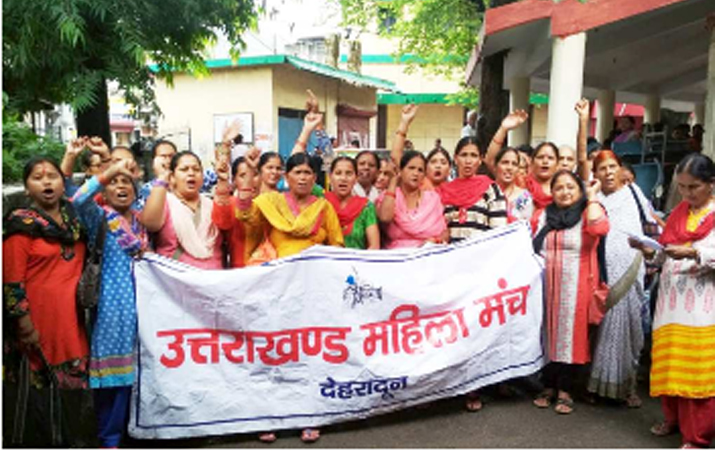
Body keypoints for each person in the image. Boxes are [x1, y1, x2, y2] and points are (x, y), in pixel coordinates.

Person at [231, 153, 343, 443]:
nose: (303, 178)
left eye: (308, 173)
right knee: (274, 353)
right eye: (297, 172)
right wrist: (248, 177)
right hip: (275, 291)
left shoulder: (323, 207)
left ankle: (309, 417)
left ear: (315, 178)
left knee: (308, 355)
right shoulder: (270, 203)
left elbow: (337, 246)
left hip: (312, 293)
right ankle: (268, 417)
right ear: (286, 177)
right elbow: (245, 216)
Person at [629, 153, 714, 448]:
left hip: (701, 307)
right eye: (682, 187)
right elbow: (664, 253)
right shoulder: (679, 213)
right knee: (670, 364)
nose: (687, 193)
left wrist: (693, 252)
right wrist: (649, 250)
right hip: (669, 303)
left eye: (694, 187)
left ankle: (697, 436)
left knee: (696, 370)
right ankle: (673, 419)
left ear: (711, 184)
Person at [3, 157, 90, 446]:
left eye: (52, 176)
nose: (46, 182)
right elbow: (11, 281)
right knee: (36, 396)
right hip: (37, 324)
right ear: (27, 188)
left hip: (72, 321)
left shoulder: (75, 222)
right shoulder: (19, 226)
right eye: (37, 178)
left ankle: (69, 440)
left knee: (72, 393)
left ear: (63, 183)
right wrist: (24, 323)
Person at [70, 158, 147, 448]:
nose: (121, 186)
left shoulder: (143, 220)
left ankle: (135, 432)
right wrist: (109, 171)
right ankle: (110, 438)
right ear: (105, 191)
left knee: (139, 374)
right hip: (111, 308)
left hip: (146, 306)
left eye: (126, 182)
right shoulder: (98, 218)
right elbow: (78, 199)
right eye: (114, 183)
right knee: (113, 376)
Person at [532, 171, 609, 414]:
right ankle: (548, 385)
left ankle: (566, 390)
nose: (565, 192)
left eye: (571, 187)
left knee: (571, 338)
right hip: (545, 287)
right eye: (559, 188)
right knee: (547, 335)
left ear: (580, 190)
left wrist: (592, 195)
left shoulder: (588, 212)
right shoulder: (543, 215)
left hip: (578, 287)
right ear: (552, 192)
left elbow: (600, 228)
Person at [586, 150, 657, 407]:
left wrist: (652, 254)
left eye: (612, 167)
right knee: (601, 327)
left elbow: (650, 225)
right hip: (602, 273)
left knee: (631, 327)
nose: (608, 173)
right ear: (595, 173)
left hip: (632, 269)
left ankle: (627, 386)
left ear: (619, 168)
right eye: (602, 168)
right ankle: (596, 385)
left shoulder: (634, 193)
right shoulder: (593, 199)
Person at [141, 151, 223, 269]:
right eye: (184, 169)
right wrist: (162, 178)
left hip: (213, 277)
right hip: (175, 277)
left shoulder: (212, 204)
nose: (191, 173)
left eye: (196, 169)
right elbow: (150, 224)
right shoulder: (164, 202)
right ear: (172, 177)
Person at [438, 135, 508, 243]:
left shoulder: (491, 190)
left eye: (474, 156)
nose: (468, 161)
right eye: (464, 155)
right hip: (450, 252)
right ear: (455, 158)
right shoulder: (444, 192)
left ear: (480, 160)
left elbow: (498, 231)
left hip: (481, 251)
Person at [376, 150, 447, 249]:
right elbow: (385, 218)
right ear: (401, 171)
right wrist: (393, 182)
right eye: (411, 168)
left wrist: (435, 241)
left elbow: (444, 232)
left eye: (420, 170)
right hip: (395, 254)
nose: (415, 173)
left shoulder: (432, 199)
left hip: (427, 253)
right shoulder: (389, 196)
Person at [211, 153, 264, 268]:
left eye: (254, 174)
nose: (249, 180)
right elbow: (221, 223)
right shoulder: (229, 203)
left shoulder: (269, 203)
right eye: (243, 175)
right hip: (240, 271)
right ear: (234, 180)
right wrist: (222, 181)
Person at [326, 156, 380, 249]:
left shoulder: (366, 207)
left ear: (356, 178)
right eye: (338, 173)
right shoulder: (321, 203)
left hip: (359, 258)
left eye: (349, 174)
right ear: (330, 177)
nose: (343, 178)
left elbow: (374, 246)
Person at [492, 147, 534, 222]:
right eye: (505, 162)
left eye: (514, 164)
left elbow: (525, 225)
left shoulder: (524, 197)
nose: (509, 168)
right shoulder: (485, 192)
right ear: (495, 166)